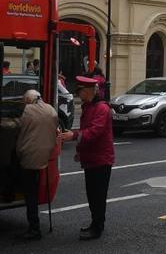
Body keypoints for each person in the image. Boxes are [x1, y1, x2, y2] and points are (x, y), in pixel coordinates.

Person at [59, 76, 114, 240]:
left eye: (79, 91)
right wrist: (80, 151)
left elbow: (94, 132)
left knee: (98, 196)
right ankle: (94, 223)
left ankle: (98, 227)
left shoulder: (101, 109)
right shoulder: (89, 106)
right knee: (92, 194)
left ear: (88, 91)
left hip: (101, 160)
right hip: (92, 158)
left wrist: (73, 135)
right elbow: (88, 131)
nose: (78, 94)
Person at [6, 90, 59, 240]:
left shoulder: (28, 110)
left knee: (30, 193)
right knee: (32, 190)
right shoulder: (51, 109)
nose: (24, 103)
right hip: (44, 156)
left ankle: (34, 228)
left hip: (28, 157)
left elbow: (16, 124)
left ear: (29, 100)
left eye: (24, 101)